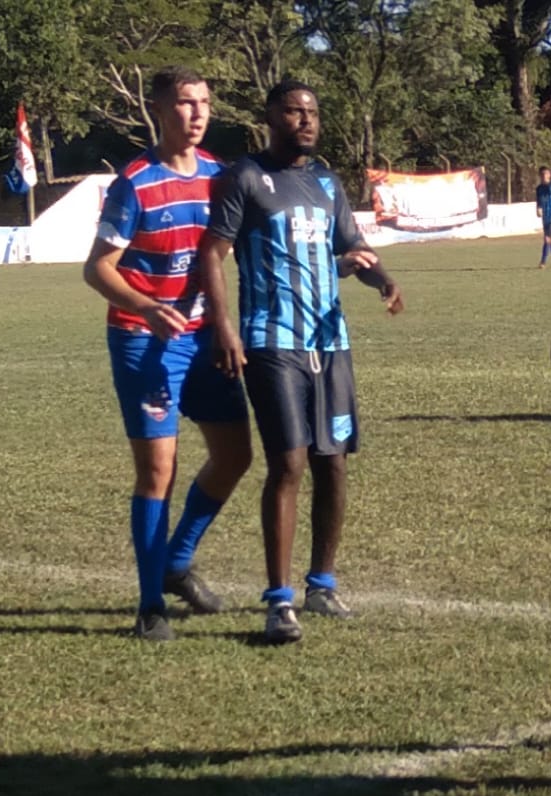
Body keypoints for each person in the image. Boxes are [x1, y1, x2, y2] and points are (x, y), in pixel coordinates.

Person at [199, 81, 404, 645]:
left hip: (329, 342)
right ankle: (278, 601)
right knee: (288, 464)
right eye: (293, 111)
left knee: (332, 462)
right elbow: (213, 253)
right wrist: (224, 327)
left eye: (312, 112)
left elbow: (352, 250)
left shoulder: (326, 183)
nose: (306, 120)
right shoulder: (245, 178)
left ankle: (321, 585)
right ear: (271, 117)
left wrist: (382, 279)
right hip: (272, 341)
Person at [82, 66, 252, 642]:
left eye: (204, 102)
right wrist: (147, 307)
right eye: (184, 102)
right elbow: (97, 268)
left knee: (235, 455)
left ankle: (177, 561)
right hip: (144, 338)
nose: (198, 112)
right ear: (159, 109)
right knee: (158, 470)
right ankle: (150, 605)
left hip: (205, 337)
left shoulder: (221, 177)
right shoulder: (134, 183)